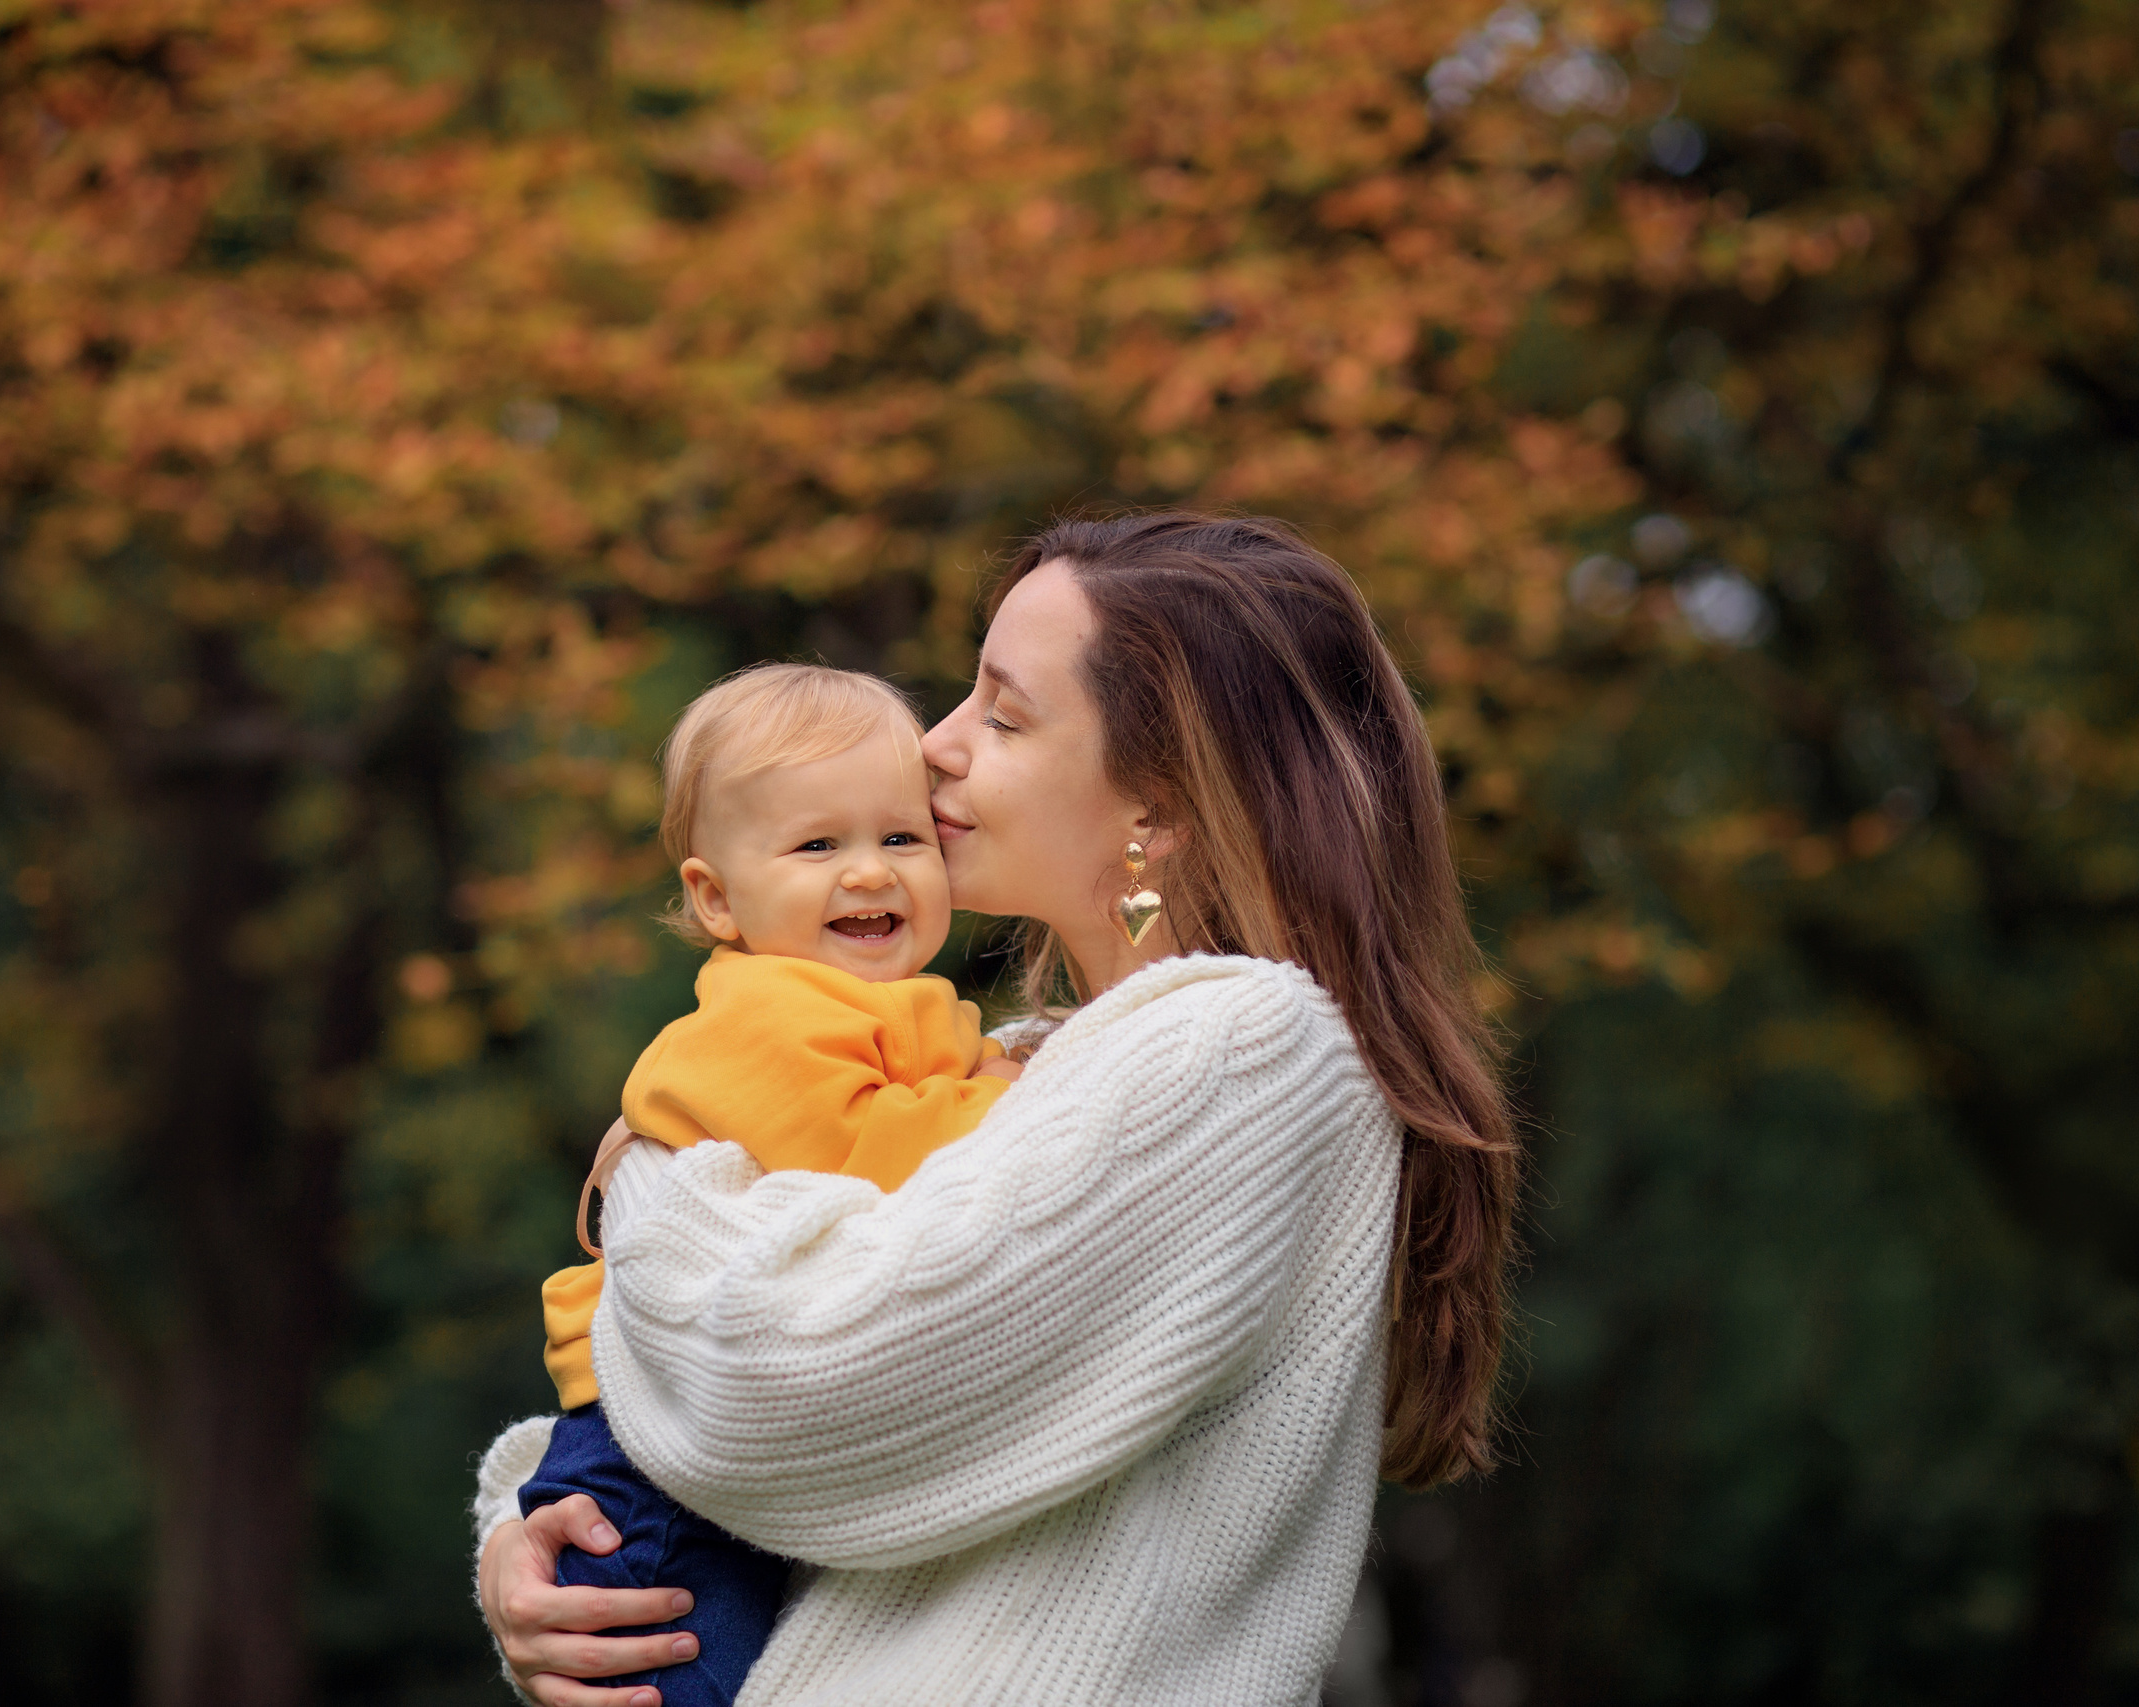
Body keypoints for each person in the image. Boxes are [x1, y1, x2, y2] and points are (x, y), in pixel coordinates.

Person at [475, 512, 1521, 1707]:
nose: (935, 745)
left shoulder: (1245, 1050)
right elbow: (818, 1485)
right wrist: (530, 1541)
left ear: (1157, 810)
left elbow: (789, 1385)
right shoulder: (1031, 1067)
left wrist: (658, 1169)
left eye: (1004, 715)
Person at [524, 662, 1023, 1705]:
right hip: (644, 1460)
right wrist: (1019, 1091)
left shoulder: (879, 1003)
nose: (870, 873)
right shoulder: (761, 1013)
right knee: (670, 1673)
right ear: (715, 897)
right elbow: (868, 1146)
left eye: (899, 838)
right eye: (816, 846)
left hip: (703, 1433)